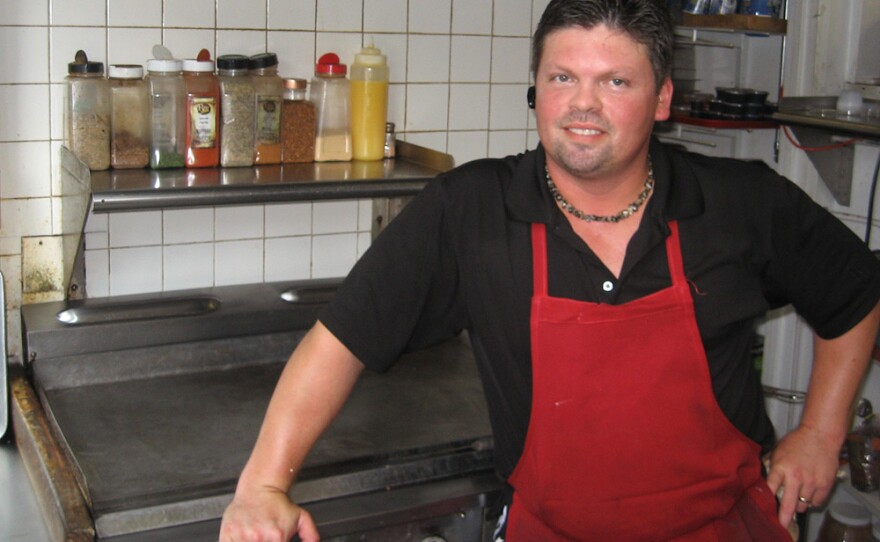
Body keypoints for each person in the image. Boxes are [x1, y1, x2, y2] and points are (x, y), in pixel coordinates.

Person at [219, 0, 880, 540]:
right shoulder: (472, 210)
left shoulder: (739, 201)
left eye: (614, 82)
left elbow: (853, 292)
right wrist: (263, 485)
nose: (581, 104)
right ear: (536, 87)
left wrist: (822, 434)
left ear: (661, 99)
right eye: (563, 77)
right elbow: (339, 340)